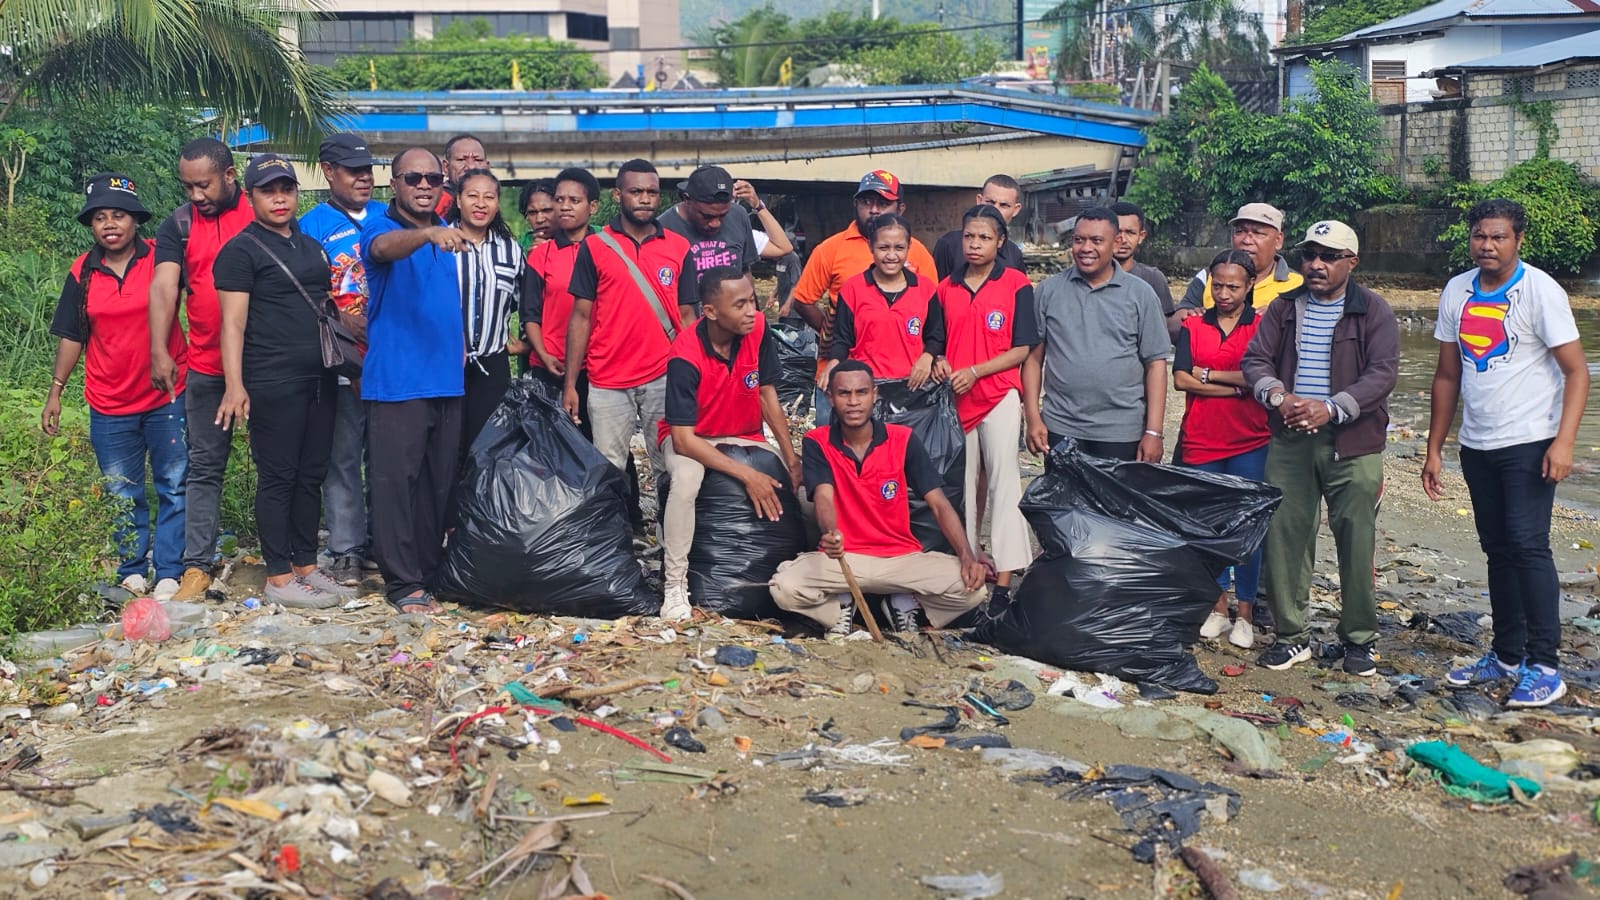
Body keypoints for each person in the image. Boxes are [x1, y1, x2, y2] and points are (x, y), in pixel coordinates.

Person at [1425, 199, 1590, 708]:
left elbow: (1577, 372)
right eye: (1480, 236)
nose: (1488, 246)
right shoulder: (1457, 289)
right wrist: (1434, 449)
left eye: (1498, 237)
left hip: (1531, 442)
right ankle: (1506, 655)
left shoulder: (1540, 290)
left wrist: (1563, 443)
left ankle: (1545, 665)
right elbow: (1448, 375)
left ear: (1518, 240)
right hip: (1478, 444)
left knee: (1529, 546)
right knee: (1497, 549)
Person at [1242, 220, 1398, 676]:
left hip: (1353, 442)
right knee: (1286, 534)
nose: (1316, 265)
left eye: (1329, 257)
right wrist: (1279, 396)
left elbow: (1383, 373)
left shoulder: (1373, 310)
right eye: (1310, 254)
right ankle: (1293, 637)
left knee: (1356, 537)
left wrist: (1331, 409)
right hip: (1290, 437)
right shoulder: (1285, 307)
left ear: (1351, 262)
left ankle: (1359, 640)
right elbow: (1256, 359)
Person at [212, 155, 354, 608]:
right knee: (278, 477)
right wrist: (235, 385)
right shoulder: (241, 250)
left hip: (321, 376)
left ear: (297, 193)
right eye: (268, 190)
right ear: (251, 196)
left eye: (286, 189)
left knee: (311, 473)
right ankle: (278, 578)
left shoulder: (311, 246)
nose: (279, 198)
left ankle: (305, 565)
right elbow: (231, 325)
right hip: (271, 378)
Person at [43, 174, 188, 600]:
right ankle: (131, 568)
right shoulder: (82, 271)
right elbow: (72, 334)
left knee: (174, 483)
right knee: (121, 489)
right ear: (91, 224)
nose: (110, 224)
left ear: (135, 221)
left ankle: (169, 569)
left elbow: (200, 303)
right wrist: (55, 390)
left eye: (119, 215)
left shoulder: (162, 259)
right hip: (108, 401)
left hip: (166, 395)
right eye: (100, 217)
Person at [769, 360, 988, 635]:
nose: (853, 402)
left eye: (861, 392)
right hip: (844, 558)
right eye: (844, 394)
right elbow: (823, 496)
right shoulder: (817, 441)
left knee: (974, 589)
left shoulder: (903, 439)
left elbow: (939, 504)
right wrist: (831, 533)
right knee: (784, 587)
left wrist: (967, 555)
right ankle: (838, 610)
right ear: (830, 398)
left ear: (875, 394)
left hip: (900, 558)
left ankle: (904, 603)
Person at [658, 267, 803, 621]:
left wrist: (791, 458)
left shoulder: (757, 331)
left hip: (744, 434)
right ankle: (674, 586)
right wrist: (745, 475)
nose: (752, 311)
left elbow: (768, 395)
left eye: (753, 300)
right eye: (740, 304)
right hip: (694, 437)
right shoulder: (685, 355)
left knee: (801, 491)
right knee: (687, 482)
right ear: (710, 312)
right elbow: (683, 439)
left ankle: (809, 571)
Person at [361, 147, 467, 616]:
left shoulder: (445, 238)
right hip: (398, 384)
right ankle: (402, 583)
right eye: (413, 178)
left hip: (446, 383)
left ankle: (427, 571)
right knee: (394, 486)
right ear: (394, 183)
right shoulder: (382, 229)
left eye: (432, 178)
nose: (424, 185)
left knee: (436, 486)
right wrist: (427, 234)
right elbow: (383, 251)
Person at [148, 137, 255, 601]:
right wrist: (160, 348)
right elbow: (165, 287)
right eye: (188, 186)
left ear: (230, 176)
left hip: (266, 365)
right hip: (208, 366)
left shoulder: (260, 211)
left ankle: (285, 565)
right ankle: (197, 567)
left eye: (204, 186)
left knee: (279, 465)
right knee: (205, 467)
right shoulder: (179, 224)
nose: (196, 196)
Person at [564, 158, 698, 505]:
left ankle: (672, 548)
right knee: (608, 471)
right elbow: (581, 317)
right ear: (618, 194)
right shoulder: (595, 248)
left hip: (664, 377)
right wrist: (570, 383)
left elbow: (687, 316)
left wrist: (696, 376)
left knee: (670, 467)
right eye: (636, 191)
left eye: (652, 192)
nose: (644, 199)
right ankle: (613, 552)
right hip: (607, 379)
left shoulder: (679, 248)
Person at [524, 167, 648, 534]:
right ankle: (563, 525)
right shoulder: (541, 255)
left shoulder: (609, 249)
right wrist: (544, 355)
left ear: (592, 207)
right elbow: (529, 314)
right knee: (553, 451)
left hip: (603, 368)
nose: (564, 208)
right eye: (558, 200)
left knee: (610, 449)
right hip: (551, 369)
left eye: (573, 201)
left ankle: (625, 519)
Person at [937, 205, 1039, 609]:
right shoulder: (945, 288)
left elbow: (1023, 347)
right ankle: (968, 563)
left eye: (984, 237)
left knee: (1004, 483)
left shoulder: (1016, 284)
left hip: (999, 394)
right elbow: (935, 342)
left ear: (1000, 242)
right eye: (969, 237)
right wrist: (941, 361)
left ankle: (1004, 580)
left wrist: (976, 371)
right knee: (962, 488)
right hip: (956, 399)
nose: (975, 244)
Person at [298, 132, 384, 585]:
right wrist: (342, 325)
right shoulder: (311, 227)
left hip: (390, 361)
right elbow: (309, 297)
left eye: (368, 169)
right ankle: (347, 548)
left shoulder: (391, 217)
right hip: (343, 362)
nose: (364, 178)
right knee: (343, 457)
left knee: (388, 456)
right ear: (328, 172)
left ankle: (385, 544)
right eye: (353, 170)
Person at [1175, 250, 1272, 649]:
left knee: (1247, 527)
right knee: (1207, 526)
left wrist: (1209, 375)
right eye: (1218, 285)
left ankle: (1245, 612)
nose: (1225, 293)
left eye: (1233, 286)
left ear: (1250, 286)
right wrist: (1235, 386)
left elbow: (1261, 376)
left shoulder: (1263, 327)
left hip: (1251, 438)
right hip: (1201, 439)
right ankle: (1217, 607)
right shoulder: (1194, 325)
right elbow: (1181, 379)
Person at [1023, 206, 1169, 463]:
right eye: (1079, 240)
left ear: (1115, 243)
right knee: (1063, 504)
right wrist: (1033, 417)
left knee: (1115, 504)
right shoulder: (1048, 291)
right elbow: (1033, 360)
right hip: (1062, 426)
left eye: (1097, 240)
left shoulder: (1141, 294)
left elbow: (1155, 364)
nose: (1086, 248)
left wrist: (1153, 431)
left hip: (1121, 431)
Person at [792, 170, 938, 424]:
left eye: (883, 203)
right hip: (842, 371)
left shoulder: (919, 254)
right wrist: (832, 332)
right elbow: (803, 300)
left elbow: (933, 319)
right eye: (866, 202)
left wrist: (931, 356)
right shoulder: (831, 249)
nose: (873, 210)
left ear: (900, 208)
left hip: (904, 382)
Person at [446, 168, 526, 453]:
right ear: (458, 200)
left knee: (489, 450)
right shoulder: (440, 244)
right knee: (448, 448)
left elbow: (524, 302)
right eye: (472, 196)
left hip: (493, 367)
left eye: (489, 197)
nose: (481, 204)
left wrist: (525, 342)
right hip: (445, 364)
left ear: (497, 203)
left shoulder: (510, 250)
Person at [822, 213, 944, 390]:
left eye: (899, 248)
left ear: (909, 247)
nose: (891, 255)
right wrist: (833, 363)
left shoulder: (925, 288)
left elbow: (936, 335)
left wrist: (928, 357)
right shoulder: (853, 289)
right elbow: (842, 339)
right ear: (871, 247)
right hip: (864, 387)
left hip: (912, 387)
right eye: (883, 248)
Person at [1170, 202, 1303, 338]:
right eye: (1240, 231)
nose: (1246, 240)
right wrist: (1199, 319)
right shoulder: (1209, 276)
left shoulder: (1297, 285)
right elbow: (1173, 328)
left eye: (1258, 233)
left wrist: (1277, 316)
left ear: (1278, 240)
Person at [659, 166, 793, 276]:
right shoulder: (663, 229)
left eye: (723, 215)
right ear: (687, 199)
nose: (715, 223)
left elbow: (746, 270)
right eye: (707, 216)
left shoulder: (737, 216)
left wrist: (758, 206)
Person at [931, 174, 1025, 280]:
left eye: (1004, 205)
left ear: (1016, 210)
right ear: (979, 201)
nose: (995, 210)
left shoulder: (1014, 253)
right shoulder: (949, 245)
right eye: (990, 202)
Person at [1109, 200, 1174, 316]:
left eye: (1130, 232)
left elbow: (1165, 325)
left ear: (1141, 236)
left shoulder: (1153, 278)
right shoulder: (1093, 277)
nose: (1123, 239)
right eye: (1117, 232)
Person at [434, 133, 487, 218]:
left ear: (487, 167)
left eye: (477, 160)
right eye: (461, 159)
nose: (471, 166)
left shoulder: (491, 198)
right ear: (446, 167)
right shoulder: (439, 198)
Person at [518, 178, 557, 252]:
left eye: (547, 210)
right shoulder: (517, 248)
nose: (539, 219)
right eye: (532, 212)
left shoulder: (580, 244)